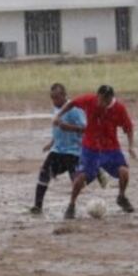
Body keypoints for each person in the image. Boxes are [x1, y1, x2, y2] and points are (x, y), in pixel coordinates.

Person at [54, 84, 136, 219]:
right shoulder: (89, 100)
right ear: (97, 96)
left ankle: (121, 197)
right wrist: (59, 115)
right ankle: (71, 205)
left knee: (124, 172)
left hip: (111, 149)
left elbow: (129, 127)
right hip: (90, 149)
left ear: (110, 99)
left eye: (104, 100)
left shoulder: (119, 109)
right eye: (99, 99)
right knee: (80, 178)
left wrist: (131, 146)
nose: (100, 103)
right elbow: (72, 103)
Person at [30, 83, 88, 214]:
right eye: (52, 98)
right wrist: (51, 143)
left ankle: (72, 205)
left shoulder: (75, 109)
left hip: (73, 152)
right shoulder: (55, 109)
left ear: (64, 95)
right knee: (44, 173)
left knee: (78, 182)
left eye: (56, 97)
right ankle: (37, 206)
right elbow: (57, 129)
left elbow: (85, 129)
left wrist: (68, 127)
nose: (54, 101)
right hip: (57, 150)